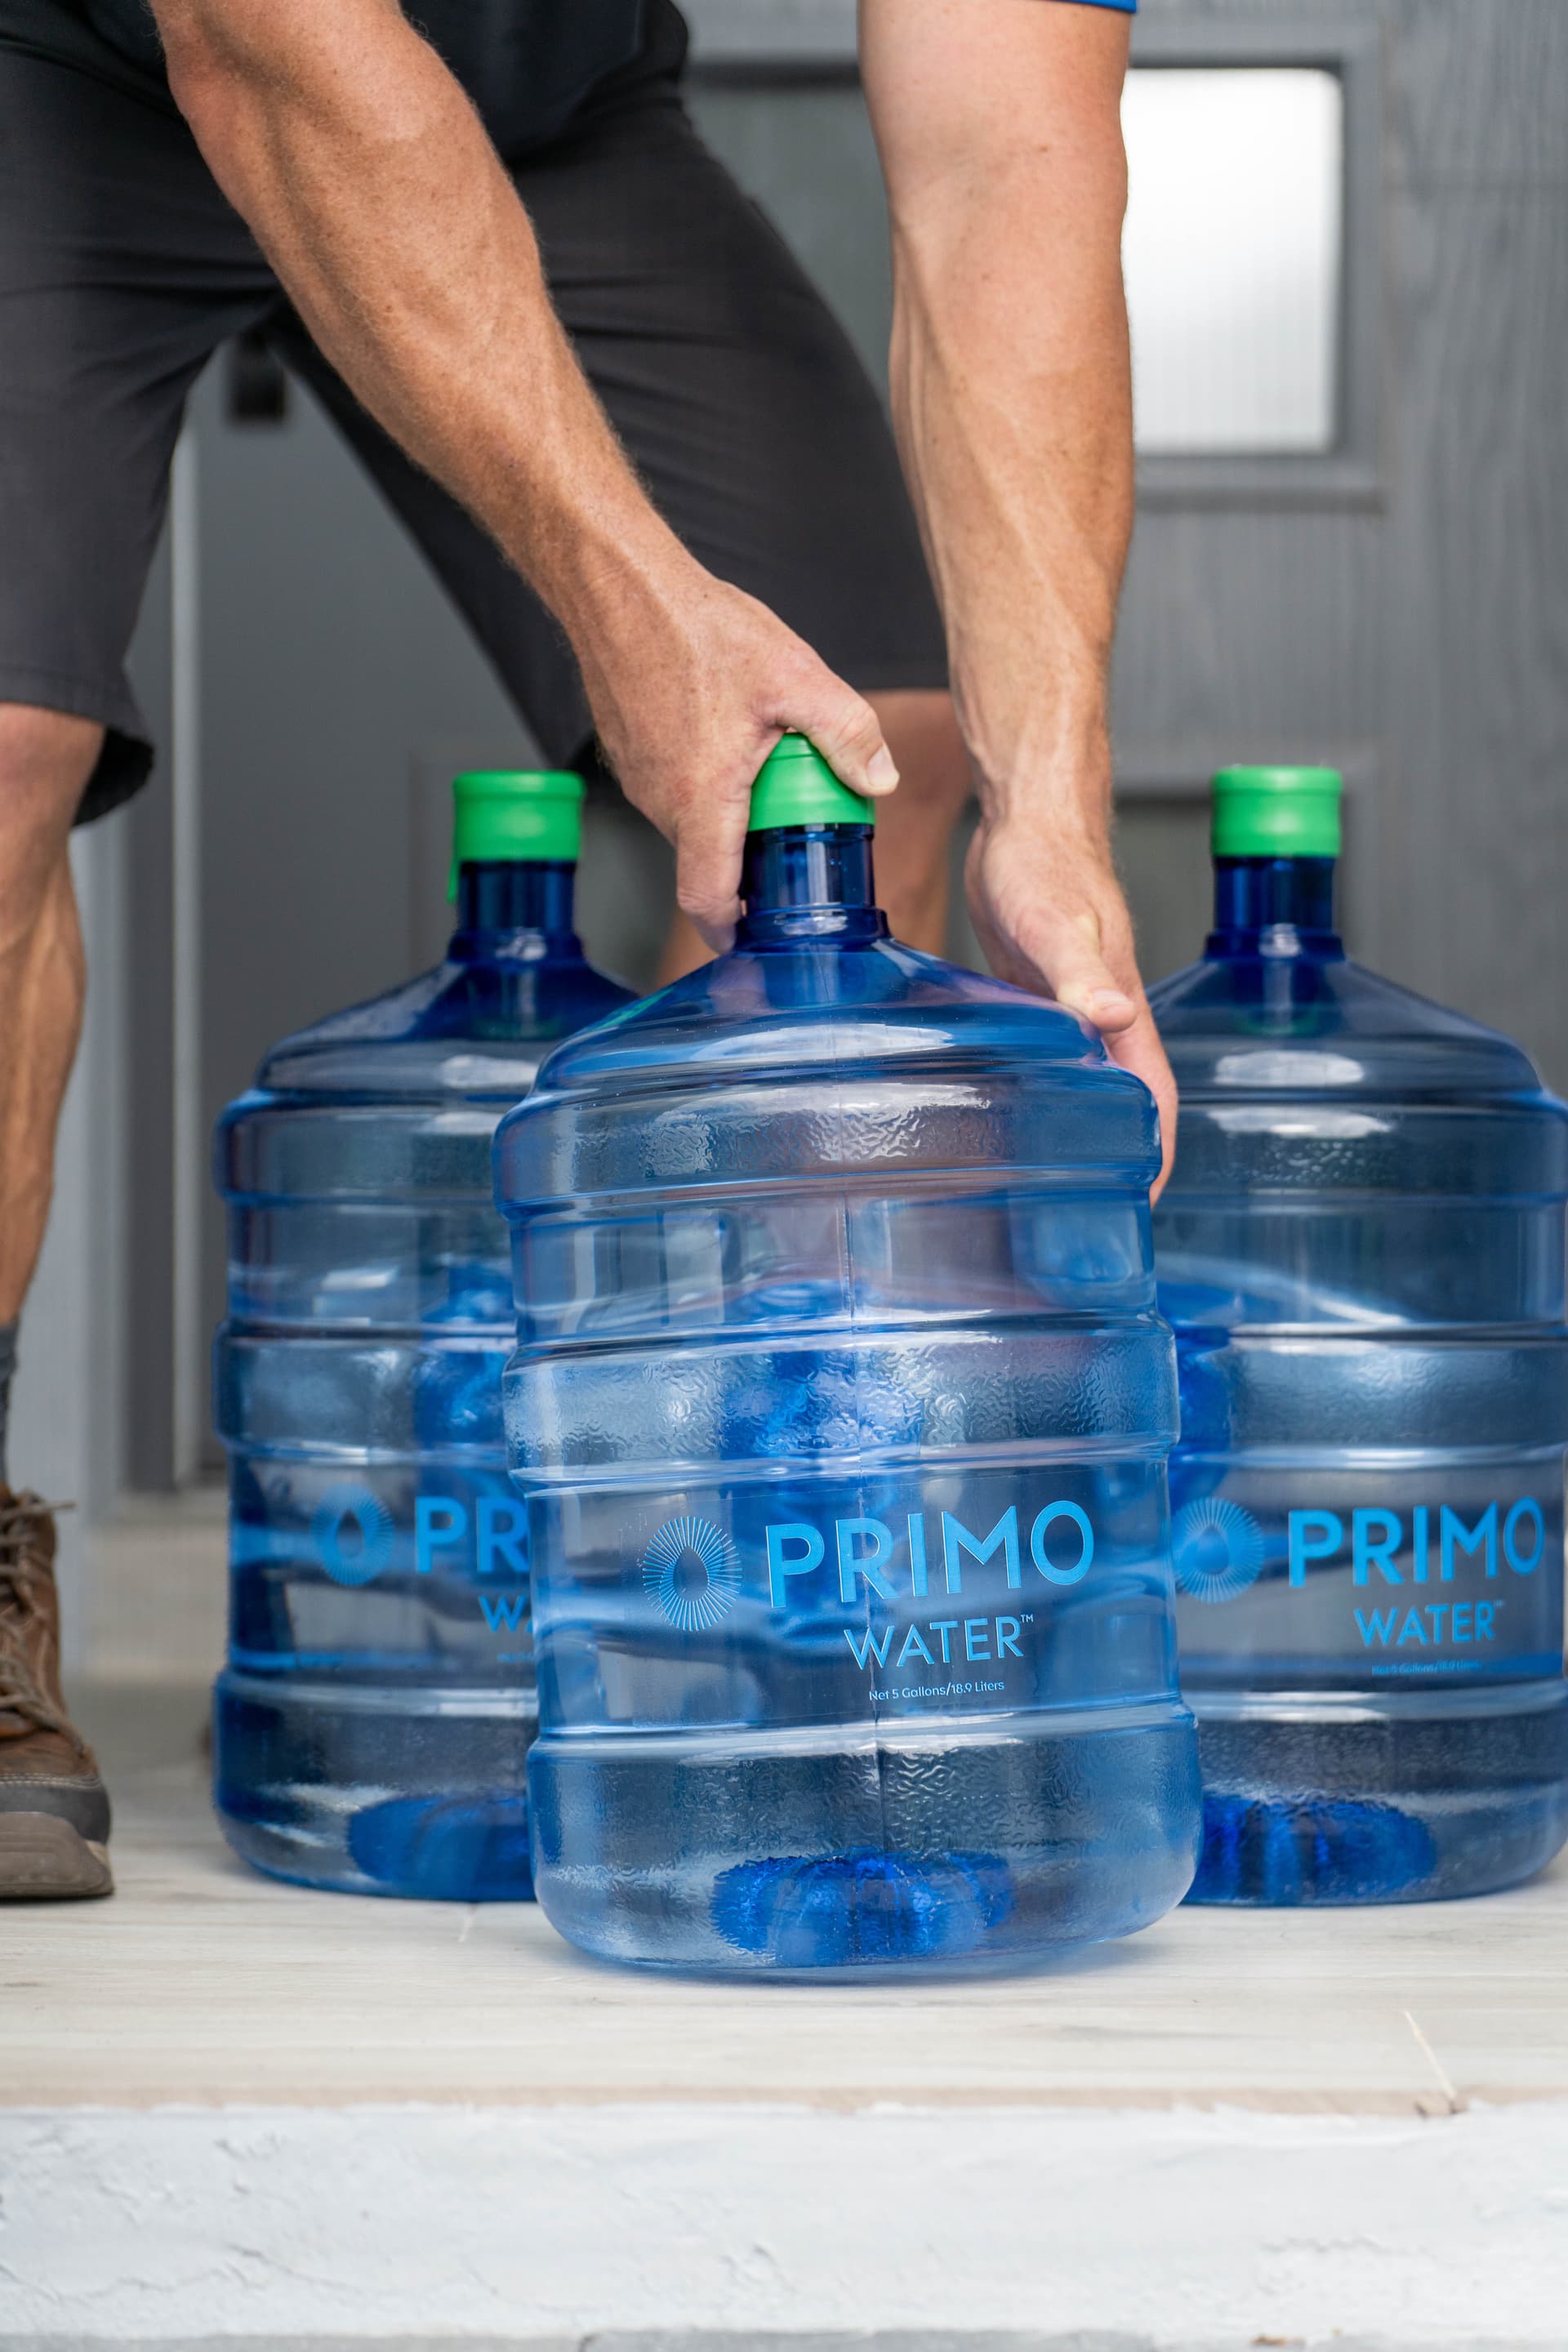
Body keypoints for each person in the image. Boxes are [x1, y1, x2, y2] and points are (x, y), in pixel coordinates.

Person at [0, 0, 1161, 1899]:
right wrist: (635, 611)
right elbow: (260, 40)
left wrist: (1057, 790)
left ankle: (832, 1585)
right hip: (79, 60)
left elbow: (1004, 146)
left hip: (545, 99)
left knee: (875, 753)